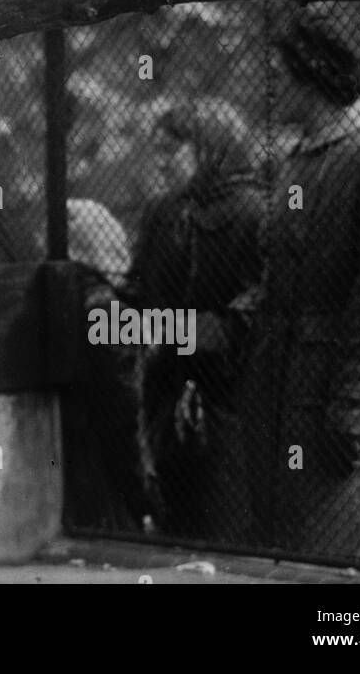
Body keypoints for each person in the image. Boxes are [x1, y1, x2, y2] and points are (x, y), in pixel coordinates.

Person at [243, 9, 360, 566]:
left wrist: (355, 412)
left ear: (314, 73)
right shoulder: (289, 163)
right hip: (276, 397)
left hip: (336, 404)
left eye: (279, 76)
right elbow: (269, 277)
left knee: (353, 557)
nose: (271, 89)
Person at [124, 99, 264, 541]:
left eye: (173, 150)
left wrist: (166, 330)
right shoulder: (162, 213)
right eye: (158, 149)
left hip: (231, 404)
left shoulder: (257, 213)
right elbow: (134, 300)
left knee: (226, 536)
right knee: (171, 533)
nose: (160, 161)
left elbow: (251, 320)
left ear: (208, 150)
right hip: (164, 399)